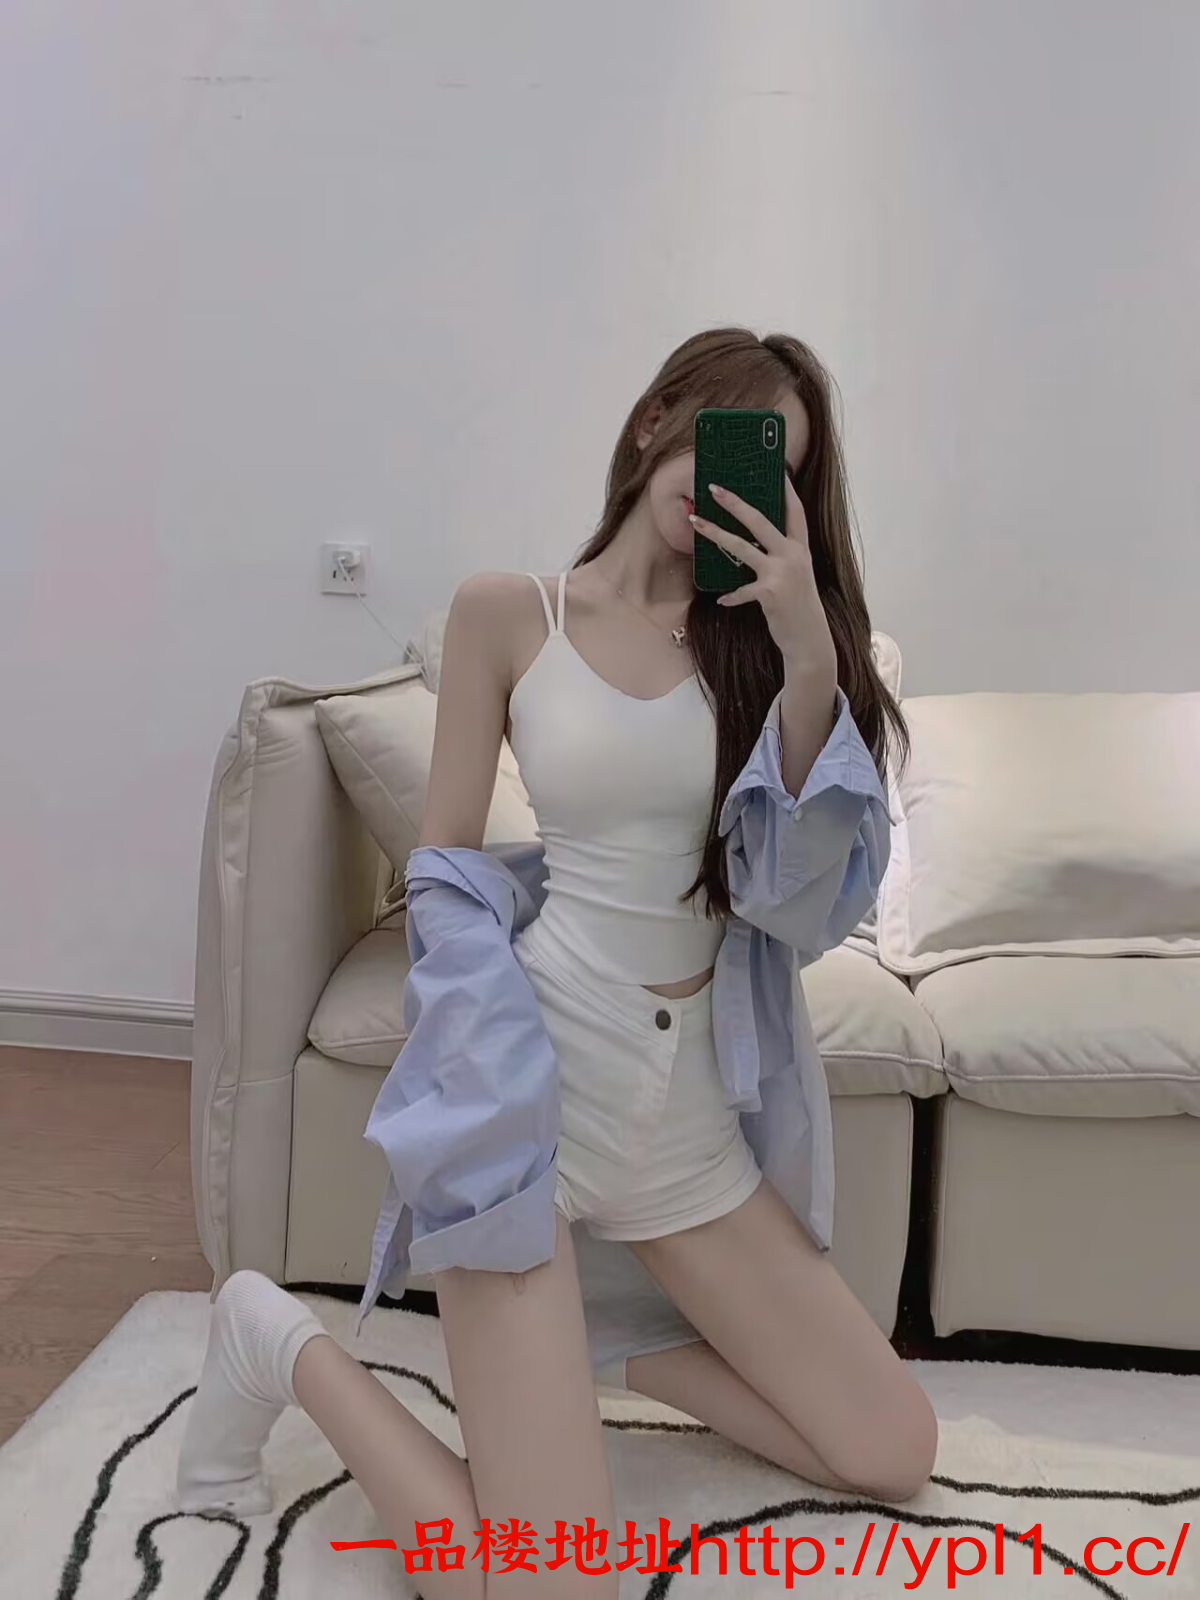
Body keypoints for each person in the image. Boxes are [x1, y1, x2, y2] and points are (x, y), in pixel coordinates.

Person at [176, 327, 938, 1598]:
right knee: (547, 1583)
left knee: (892, 1449)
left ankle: (599, 1353)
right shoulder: (509, 613)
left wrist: (811, 652)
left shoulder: (761, 653)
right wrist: (478, 1070)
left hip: (688, 1128)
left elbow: (793, 905)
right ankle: (277, 1339)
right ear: (657, 420)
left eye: (777, 467)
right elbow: (441, 872)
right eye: (728, 436)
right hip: (537, 1114)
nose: (734, 480)